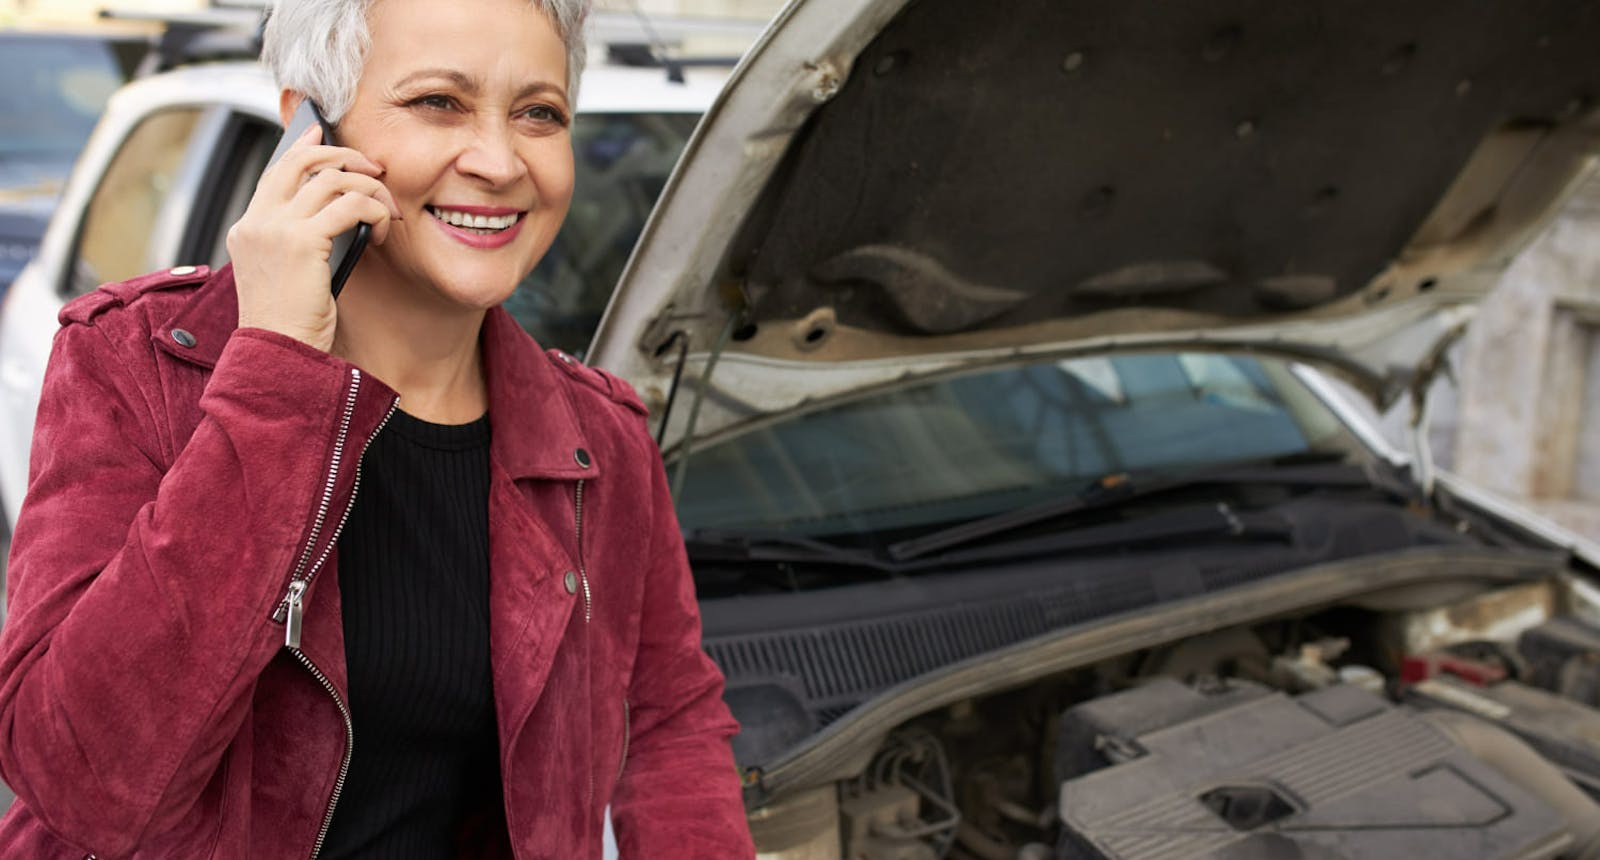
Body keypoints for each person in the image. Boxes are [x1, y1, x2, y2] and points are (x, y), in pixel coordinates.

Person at [0, 0, 754, 856]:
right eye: (439, 101)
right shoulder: (133, 366)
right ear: (308, 135)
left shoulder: (601, 441)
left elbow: (670, 726)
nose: (501, 161)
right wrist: (278, 374)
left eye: (539, 113)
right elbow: (81, 780)